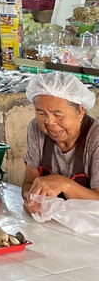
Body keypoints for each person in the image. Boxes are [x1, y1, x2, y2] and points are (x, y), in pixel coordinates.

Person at [22, 71, 99, 213]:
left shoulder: (96, 138)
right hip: (56, 222)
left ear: (80, 112)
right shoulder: (36, 128)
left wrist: (65, 184)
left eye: (57, 114)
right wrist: (30, 199)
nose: (49, 122)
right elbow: (29, 182)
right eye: (41, 113)